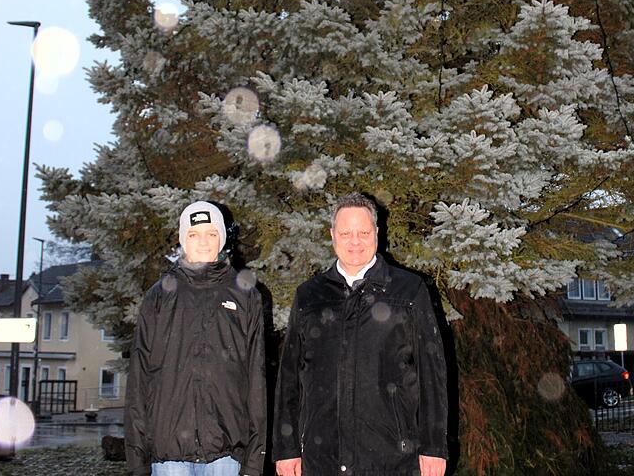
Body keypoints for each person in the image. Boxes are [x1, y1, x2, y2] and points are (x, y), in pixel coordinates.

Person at [273, 193, 448, 476]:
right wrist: (286, 448)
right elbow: (289, 378)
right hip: (321, 457)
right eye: (346, 233)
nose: (355, 241)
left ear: (377, 233)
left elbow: (433, 375)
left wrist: (434, 448)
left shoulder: (409, 291)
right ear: (333, 235)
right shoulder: (309, 296)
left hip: (393, 456)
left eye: (363, 232)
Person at [125, 201, 266, 476]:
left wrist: (254, 460)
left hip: (226, 453)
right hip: (168, 456)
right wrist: (137, 459)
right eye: (194, 234)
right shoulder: (158, 297)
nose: (203, 242)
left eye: (211, 233)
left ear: (221, 239)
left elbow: (256, 381)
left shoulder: (246, 296)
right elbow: (139, 380)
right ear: (183, 240)